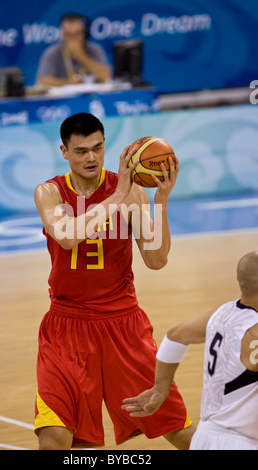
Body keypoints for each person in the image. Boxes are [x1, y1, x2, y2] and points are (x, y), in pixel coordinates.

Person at [33, 112, 195, 450]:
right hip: (67, 328)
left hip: (123, 325)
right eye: (81, 151)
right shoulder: (50, 192)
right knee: (56, 441)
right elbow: (66, 236)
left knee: (180, 432)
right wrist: (119, 194)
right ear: (64, 152)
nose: (91, 157)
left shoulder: (131, 193)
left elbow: (156, 259)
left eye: (98, 148)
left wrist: (161, 202)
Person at [122, 251, 258, 450]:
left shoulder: (219, 315)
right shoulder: (253, 333)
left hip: (203, 438)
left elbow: (174, 337)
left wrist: (161, 389)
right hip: (240, 442)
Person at [36, 13, 111, 87]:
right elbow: (42, 81)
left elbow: (106, 76)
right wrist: (67, 83)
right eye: (68, 34)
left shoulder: (94, 49)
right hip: (63, 97)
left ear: (84, 34)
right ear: (62, 35)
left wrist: (82, 56)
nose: (73, 38)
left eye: (77, 34)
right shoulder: (52, 52)